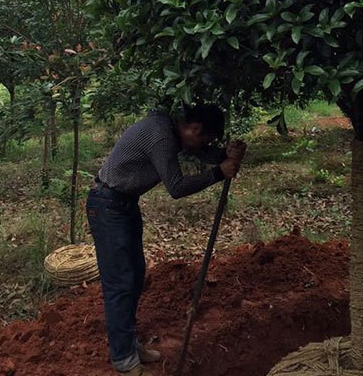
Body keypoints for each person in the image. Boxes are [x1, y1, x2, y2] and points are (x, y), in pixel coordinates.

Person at [86, 103, 246, 376]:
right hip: (107, 206)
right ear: (194, 128)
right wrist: (219, 172)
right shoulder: (161, 135)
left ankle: (128, 344)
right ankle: (123, 359)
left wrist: (224, 155)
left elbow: (198, 150)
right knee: (120, 283)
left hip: (123, 205)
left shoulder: (171, 130)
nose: (202, 144)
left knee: (135, 277)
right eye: (205, 138)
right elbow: (176, 186)